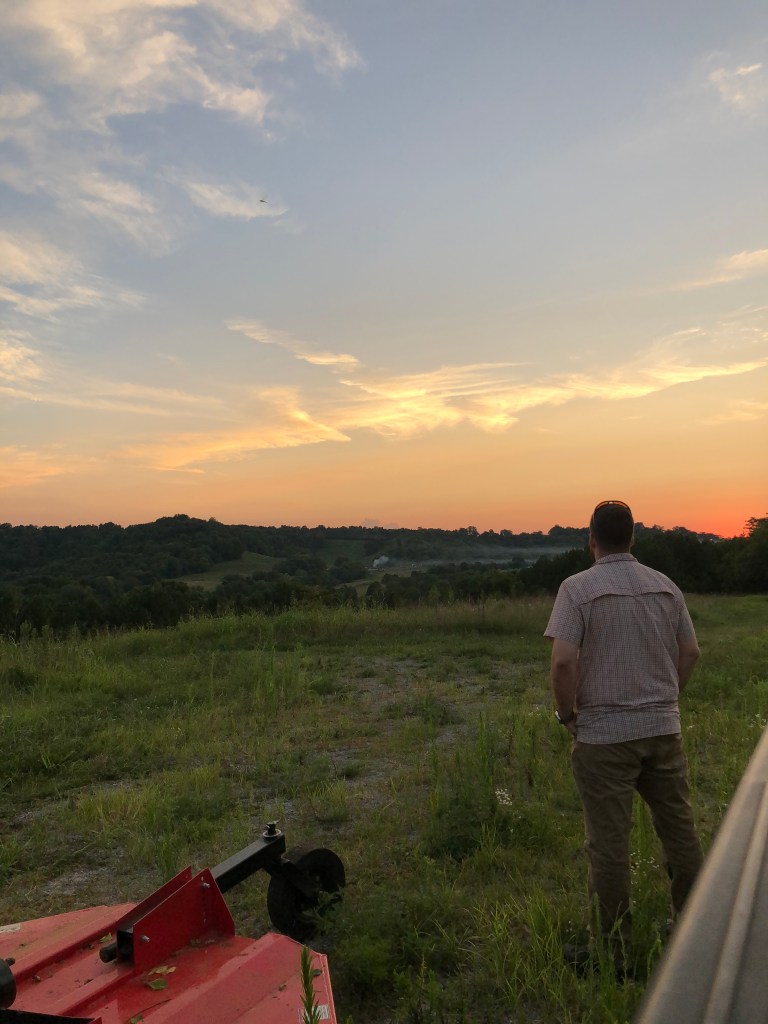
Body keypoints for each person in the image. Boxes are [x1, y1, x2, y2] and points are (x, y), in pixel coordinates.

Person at [544, 499, 703, 971]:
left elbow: (564, 662)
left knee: (609, 844)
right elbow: (691, 652)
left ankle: (612, 952)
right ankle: (696, 930)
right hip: (663, 730)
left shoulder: (577, 589)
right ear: (633, 538)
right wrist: (666, 698)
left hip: (603, 737)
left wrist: (566, 715)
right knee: (679, 830)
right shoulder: (666, 586)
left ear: (591, 540)